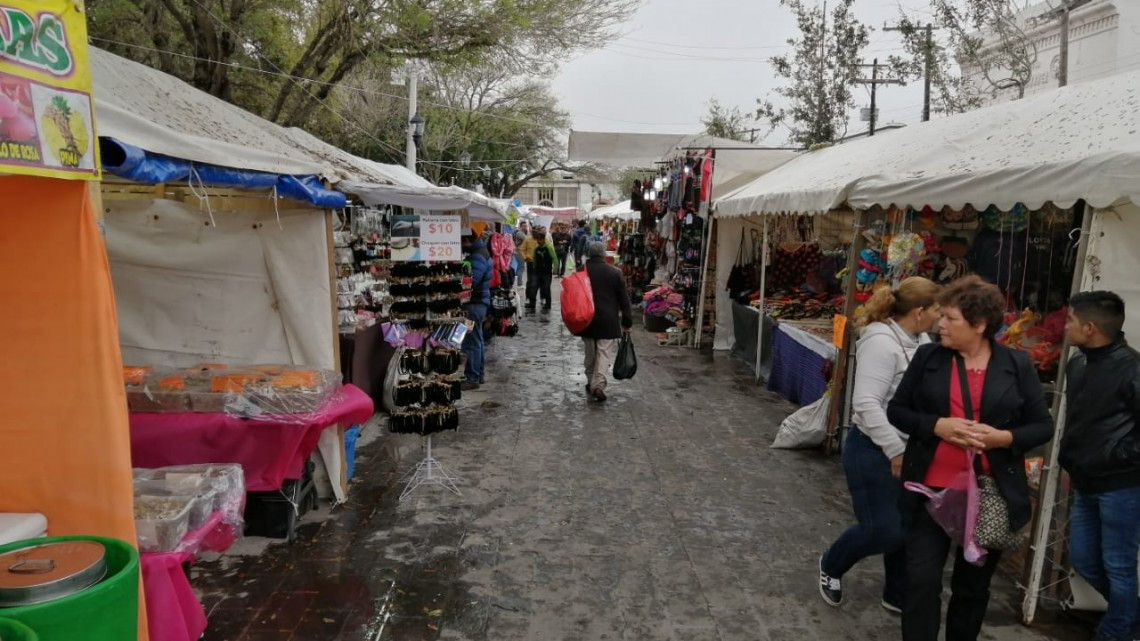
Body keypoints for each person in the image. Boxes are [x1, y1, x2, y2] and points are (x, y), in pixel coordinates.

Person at [887, 275, 1053, 641]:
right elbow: (897, 411)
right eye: (941, 316)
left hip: (988, 495)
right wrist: (936, 425)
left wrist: (1002, 438)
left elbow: (1042, 426)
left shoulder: (1016, 365)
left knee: (972, 588)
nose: (940, 323)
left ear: (979, 325)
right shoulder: (929, 357)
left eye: (950, 318)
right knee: (921, 581)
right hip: (929, 491)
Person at [819, 278, 942, 613]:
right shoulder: (881, 343)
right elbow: (866, 404)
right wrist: (895, 449)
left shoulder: (922, 339)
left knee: (907, 527)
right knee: (884, 528)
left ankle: (897, 593)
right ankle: (832, 563)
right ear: (918, 312)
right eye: (936, 310)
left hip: (907, 449)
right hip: (873, 450)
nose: (940, 318)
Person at [1059, 291, 1140, 641]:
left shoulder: (1133, 369)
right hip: (1086, 480)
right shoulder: (1077, 363)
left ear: (1090, 327)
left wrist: (1117, 455)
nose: (1064, 326)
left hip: (1122, 485)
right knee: (1083, 560)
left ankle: (1115, 632)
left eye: (1070, 320)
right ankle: (1129, 617)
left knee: (1119, 566)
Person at [580, 241, 632, 402]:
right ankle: (598, 385)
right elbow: (624, 299)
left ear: (588, 253)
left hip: (586, 319)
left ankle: (590, 382)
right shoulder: (615, 272)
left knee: (590, 353)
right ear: (603, 254)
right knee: (603, 353)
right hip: (608, 319)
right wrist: (627, 321)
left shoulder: (580, 272)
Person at [461, 235, 492, 391]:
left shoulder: (478, 256)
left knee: (471, 341)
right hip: (478, 304)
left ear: (469, 240)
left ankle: (472, 377)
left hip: (474, 305)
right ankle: (478, 375)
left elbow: (472, 281)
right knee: (477, 340)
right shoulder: (481, 253)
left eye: (463, 241)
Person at [526, 227, 558, 312]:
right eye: (538, 240)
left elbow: (554, 258)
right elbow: (534, 258)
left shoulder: (549, 247)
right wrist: (534, 267)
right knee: (533, 287)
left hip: (547, 272)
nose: (539, 241)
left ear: (544, 239)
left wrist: (555, 268)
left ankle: (548, 304)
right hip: (537, 271)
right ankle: (532, 303)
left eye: (540, 240)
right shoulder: (536, 248)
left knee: (546, 288)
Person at [513, 221, 530, 288]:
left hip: (519, 252)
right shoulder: (520, 233)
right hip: (519, 253)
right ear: (521, 226)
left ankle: (517, 283)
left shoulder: (522, 233)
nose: (525, 227)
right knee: (521, 267)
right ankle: (519, 283)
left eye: (526, 226)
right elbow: (527, 239)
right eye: (524, 226)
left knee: (519, 267)